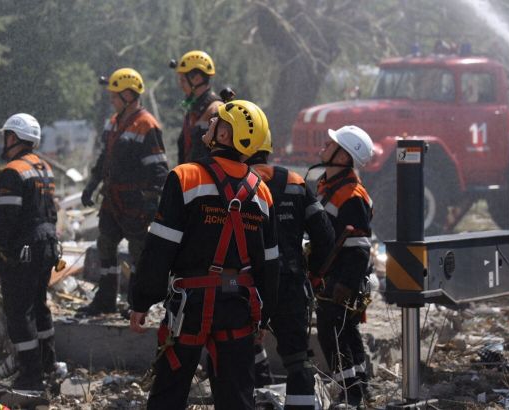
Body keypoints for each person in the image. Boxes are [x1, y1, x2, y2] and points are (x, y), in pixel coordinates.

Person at [130, 100, 279, 409]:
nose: (209, 125)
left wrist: (142, 300)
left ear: (225, 136)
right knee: (237, 398)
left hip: (190, 309)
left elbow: (160, 247)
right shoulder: (262, 192)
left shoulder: (185, 178)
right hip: (238, 306)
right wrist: (264, 316)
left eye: (216, 122)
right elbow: (270, 263)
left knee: (168, 396)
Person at [246, 128, 335, 408]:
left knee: (237, 348)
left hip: (245, 287)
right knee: (297, 359)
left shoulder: (235, 183)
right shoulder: (295, 182)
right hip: (290, 282)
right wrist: (314, 273)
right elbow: (326, 236)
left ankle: (254, 394)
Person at [0, 113, 59, 391]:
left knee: (19, 312)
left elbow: (5, 219)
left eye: (6, 136)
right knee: (39, 305)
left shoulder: (14, 172)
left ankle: (31, 376)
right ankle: (49, 365)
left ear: (13, 137)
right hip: (47, 247)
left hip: (24, 252)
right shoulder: (43, 167)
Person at [78, 68, 168, 316]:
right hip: (112, 200)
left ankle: (137, 305)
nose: (111, 100)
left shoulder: (147, 125)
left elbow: (159, 168)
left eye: (115, 95)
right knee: (106, 245)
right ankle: (105, 300)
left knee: (139, 254)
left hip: (135, 202)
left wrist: (153, 201)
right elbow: (103, 158)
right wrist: (92, 184)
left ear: (129, 94)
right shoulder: (114, 122)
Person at [314, 125, 374, 408]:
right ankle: (359, 389)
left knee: (333, 332)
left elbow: (360, 248)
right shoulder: (329, 185)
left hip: (342, 278)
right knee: (346, 331)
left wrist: (346, 285)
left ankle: (351, 393)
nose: (324, 145)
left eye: (331, 143)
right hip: (331, 275)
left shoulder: (351, 195)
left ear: (343, 157)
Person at [171, 50, 223, 164]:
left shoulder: (215, 109)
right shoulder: (193, 111)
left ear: (197, 79)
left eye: (183, 80)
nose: (180, 85)